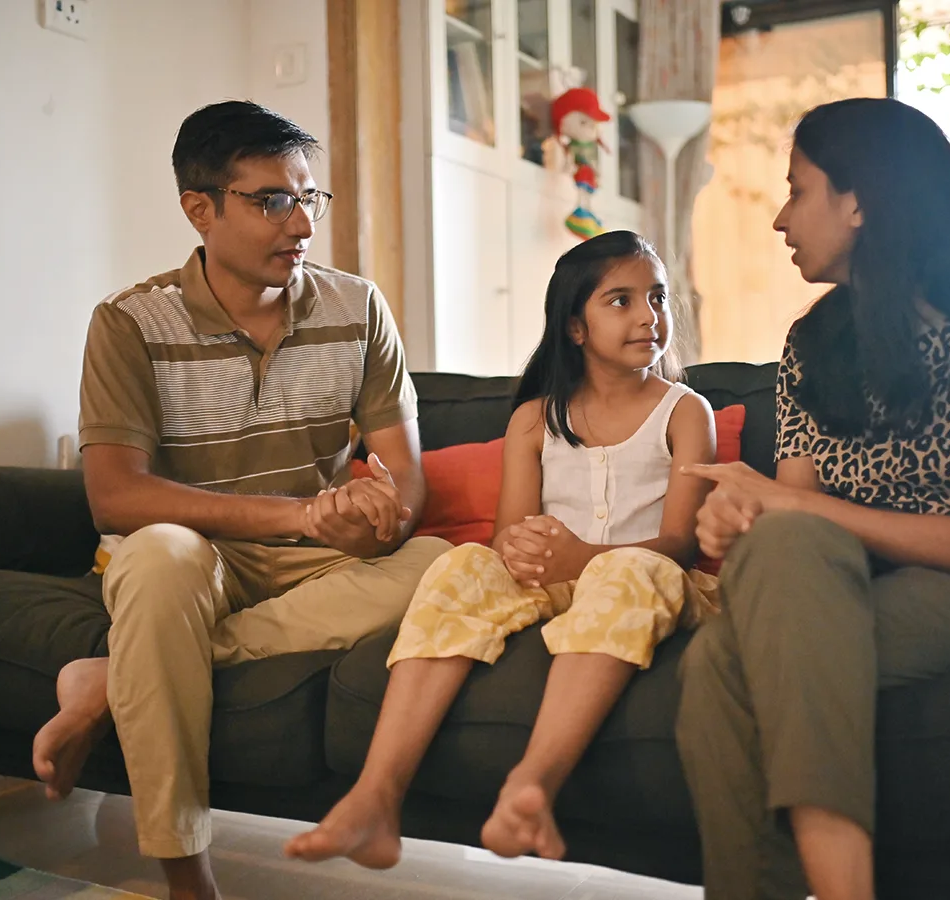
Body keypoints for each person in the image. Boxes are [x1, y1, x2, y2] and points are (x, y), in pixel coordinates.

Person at [30, 100, 449, 900]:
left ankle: (115, 674)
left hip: (319, 566)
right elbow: (116, 497)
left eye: (308, 199)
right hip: (194, 557)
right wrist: (298, 514)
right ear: (200, 207)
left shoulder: (359, 308)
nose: (302, 225)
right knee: (157, 555)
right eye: (272, 201)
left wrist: (380, 517)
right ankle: (188, 878)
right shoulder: (128, 323)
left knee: (442, 564)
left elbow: (407, 478)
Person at [677, 97, 950, 900]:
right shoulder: (811, 343)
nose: (781, 220)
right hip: (841, 577)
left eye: (796, 191)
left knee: (726, 664)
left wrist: (787, 509)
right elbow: (792, 519)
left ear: (858, 201)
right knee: (723, 646)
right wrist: (741, 514)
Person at [284, 230, 719, 868]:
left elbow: (679, 543)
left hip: (650, 575)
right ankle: (375, 798)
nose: (649, 316)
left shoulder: (685, 411)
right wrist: (521, 548)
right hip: (552, 582)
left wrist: (581, 561)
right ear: (575, 327)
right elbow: (506, 536)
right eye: (620, 301)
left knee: (629, 569)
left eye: (656, 298)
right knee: (460, 563)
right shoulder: (532, 420)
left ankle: (532, 786)